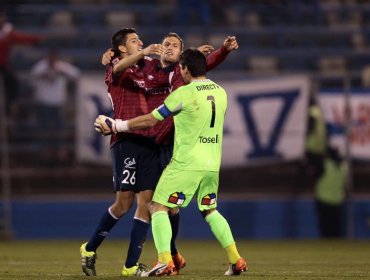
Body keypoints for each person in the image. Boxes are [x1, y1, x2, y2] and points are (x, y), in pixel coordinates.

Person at [95, 48, 248, 277]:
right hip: (212, 164)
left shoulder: (184, 94)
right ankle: (236, 260)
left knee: (156, 206)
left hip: (185, 163)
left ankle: (165, 260)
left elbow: (150, 119)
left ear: (185, 70)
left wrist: (117, 125)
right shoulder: (221, 91)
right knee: (210, 210)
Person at [80, 28, 184, 277]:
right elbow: (116, 68)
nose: (141, 42)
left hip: (151, 141)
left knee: (147, 204)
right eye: (135, 41)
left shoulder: (149, 67)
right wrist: (139, 53)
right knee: (123, 203)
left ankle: (130, 265)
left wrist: (195, 55)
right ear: (123, 49)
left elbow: (174, 67)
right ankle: (89, 248)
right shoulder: (117, 66)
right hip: (125, 140)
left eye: (141, 40)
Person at [30, 49, 80, 164]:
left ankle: (60, 150)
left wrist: (63, 72)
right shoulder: (41, 66)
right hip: (44, 102)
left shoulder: (62, 66)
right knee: (44, 128)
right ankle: (45, 150)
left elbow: (76, 74)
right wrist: (43, 75)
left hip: (59, 102)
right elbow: (32, 78)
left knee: (60, 128)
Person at [0, 9, 42, 116]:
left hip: (3, 64)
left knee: (13, 82)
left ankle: (10, 105)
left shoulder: (8, 31)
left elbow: (21, 38)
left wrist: (35, 39)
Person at [314, 146, 347, 238]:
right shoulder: (343, 166)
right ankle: (337, 247)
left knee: (325, 227)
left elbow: (315, 176)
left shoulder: (324, 165)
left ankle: (326, 247)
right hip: (337, 200)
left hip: (323, 199)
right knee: (335, 226)